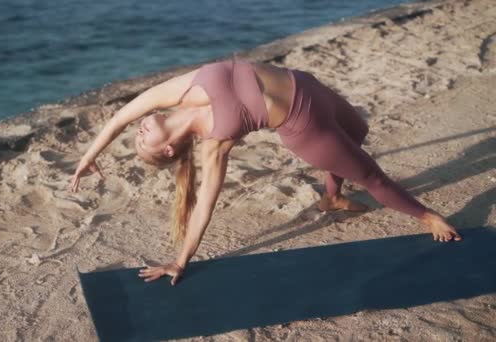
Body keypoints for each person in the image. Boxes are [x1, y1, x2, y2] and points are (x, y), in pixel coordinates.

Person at [69, 57, 462, 286]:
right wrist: (180, 260)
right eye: (142, 144)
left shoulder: (175, 92)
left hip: (308, 85)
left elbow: (121, 115)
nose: (138, 133)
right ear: (169, 149)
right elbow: (204, 206)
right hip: (305, 126)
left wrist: (89, 156)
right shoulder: (214, 143)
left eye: (136, 137)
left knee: (360, 131)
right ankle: (428, 217)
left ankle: (333, 197)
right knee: (372, 177)